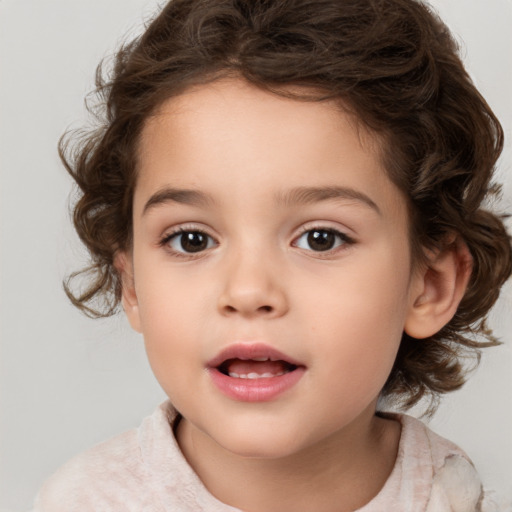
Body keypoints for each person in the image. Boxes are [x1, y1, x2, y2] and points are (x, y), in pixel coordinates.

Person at [31, 0, 512, 510]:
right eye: (191, 239)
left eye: (321, 238)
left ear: (429, 285)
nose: (248, 291)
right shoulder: (85, 501)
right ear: (131, 285)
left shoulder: (451, 494)